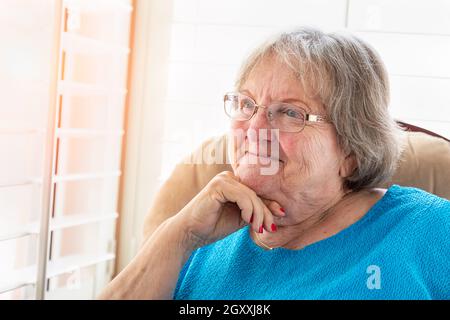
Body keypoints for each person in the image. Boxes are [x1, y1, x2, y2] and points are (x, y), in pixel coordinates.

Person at [99, 27, 450, 300]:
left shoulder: (430, 230)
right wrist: (179, 236)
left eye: (290, 112)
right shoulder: (196, 243)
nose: (254, 128)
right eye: (246, 104)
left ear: (351, 150)